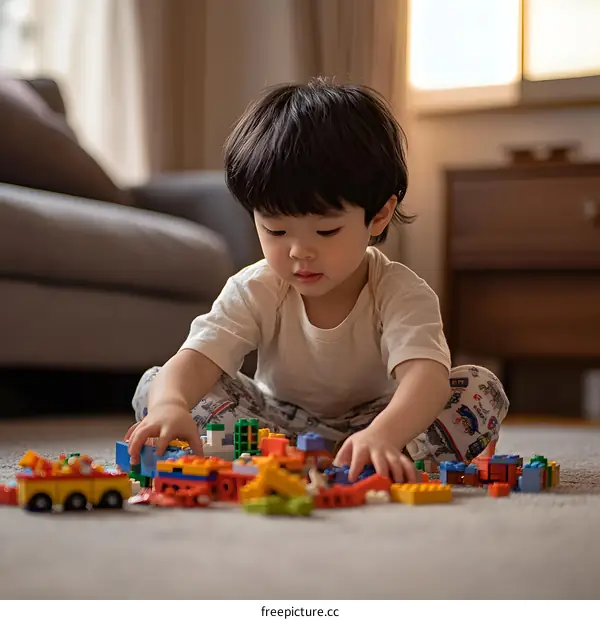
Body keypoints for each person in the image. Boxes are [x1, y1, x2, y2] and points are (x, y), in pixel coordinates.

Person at [126, 77, 509, 482]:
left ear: (378, 216)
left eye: (325, 232)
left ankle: (378, 457)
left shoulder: (399, 291)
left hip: (379, 421)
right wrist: (170, 403)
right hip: (274, 425)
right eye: (275, 231)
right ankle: (287, 461)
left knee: (480, 390)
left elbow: (424, 380)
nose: (298, 252)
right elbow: (198, 358)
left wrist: (382, 433)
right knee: (156, 384)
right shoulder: (256, 287)